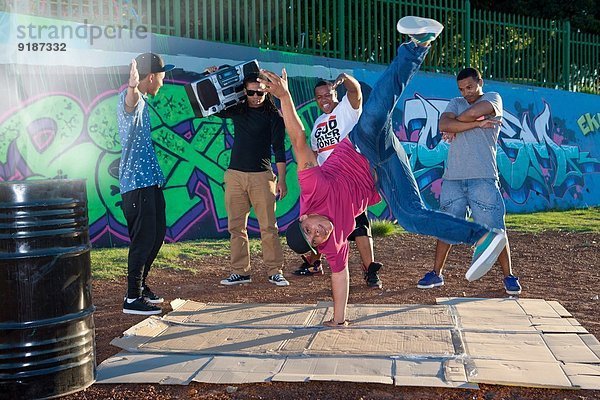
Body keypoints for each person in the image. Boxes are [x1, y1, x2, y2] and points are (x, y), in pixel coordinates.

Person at [260, 16, 507, 327]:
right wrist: (339, 320)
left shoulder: (312, 189)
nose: (319, 234)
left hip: (362, 145)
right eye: (315, 241)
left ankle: (418, 44)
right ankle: (483, 236)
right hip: (385, 170)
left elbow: (297, 141)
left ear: (305, 217)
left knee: (377, 108)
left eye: (310, 230)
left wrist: (284, 98)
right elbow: (339, 275)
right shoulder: (331, 243)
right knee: (410, 217)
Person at [417, 67, 522, 295]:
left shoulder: (493, 99)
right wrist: (475, 123)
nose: (466, 93)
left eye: (470, 87)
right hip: (453, 178)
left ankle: (509, 276)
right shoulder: (455, 102)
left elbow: (472, 113)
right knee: (446, 226)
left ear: (480, 82)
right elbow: (444, 126)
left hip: (483, 177)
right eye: (462, 89)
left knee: (495, 230)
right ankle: (436, 274)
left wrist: (459, 123)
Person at [295, 74, 383, 289]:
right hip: (327, 184)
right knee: (318, 229)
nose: (324, 99)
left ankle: (370, 269)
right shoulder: (317, 125)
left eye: (328, 94)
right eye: (319, 97)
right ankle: (314, 262)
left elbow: (356, 93)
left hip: (352, 179)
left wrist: (346, 79)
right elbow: (315, 155)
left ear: (335, 93)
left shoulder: (346, 109)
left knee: (360, 225)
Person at [205, 72, 289, 287]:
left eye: (260, 92)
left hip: (262, 177)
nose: (255, 96)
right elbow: (212, 104)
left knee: (269, 227)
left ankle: (275, 271)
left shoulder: (274, 116)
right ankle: (240, 272)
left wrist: (282, 179)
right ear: (244, 91)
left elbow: (279, 149)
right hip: (234, 176)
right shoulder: (238, 110)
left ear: (266, 91)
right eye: (250, 92)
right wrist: (214, 76)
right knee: (236, 227)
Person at [117, 52, 174, 315]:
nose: (163, 81)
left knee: (156, 237)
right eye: (162, 76)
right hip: (137, 186)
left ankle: (140, 288)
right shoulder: (134, 100)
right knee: (143, 240)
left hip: (150, 184)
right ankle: (132, 298)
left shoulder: (145, 101)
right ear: (151, 76)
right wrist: (132, 87)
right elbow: (131, 102)